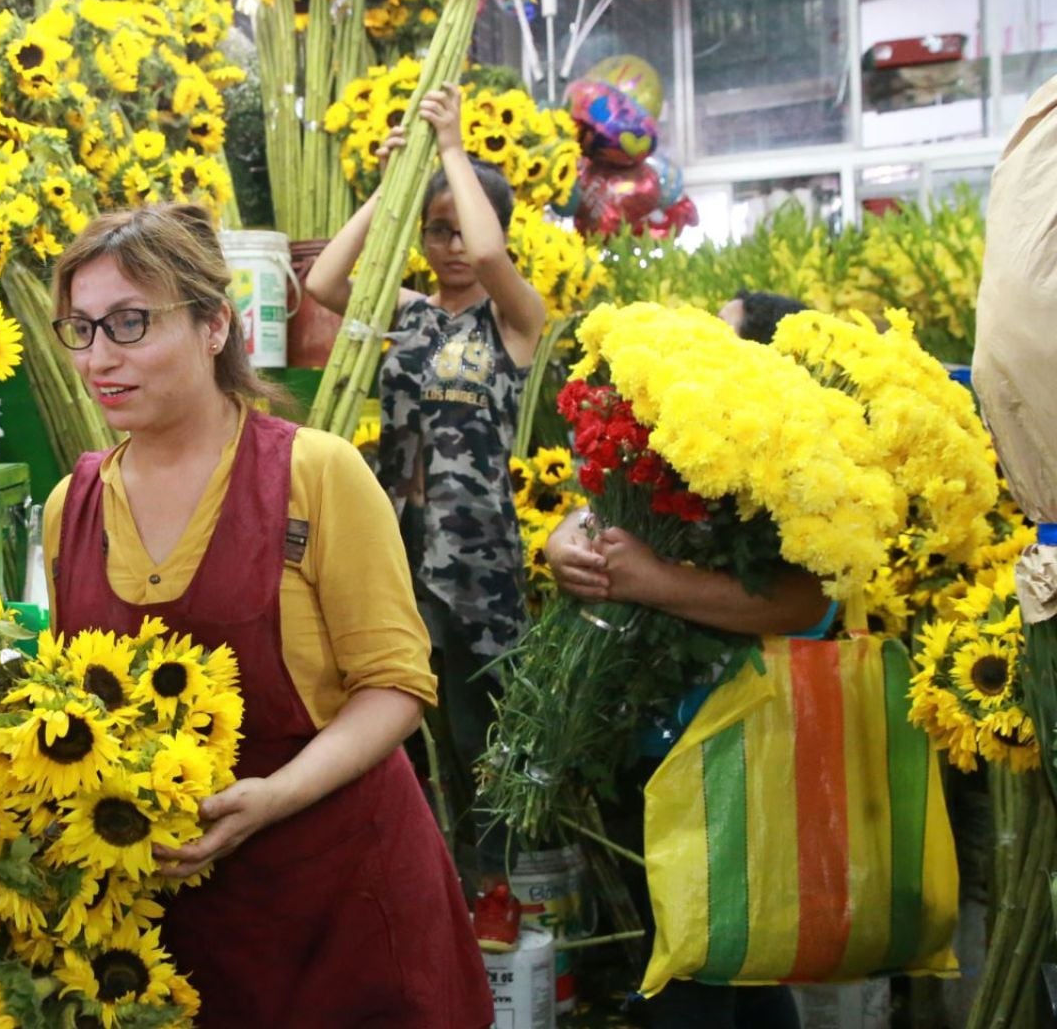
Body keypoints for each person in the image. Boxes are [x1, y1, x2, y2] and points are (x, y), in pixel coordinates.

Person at [42, 203, 492, 1026]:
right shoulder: (70, 505)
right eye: (81, 330)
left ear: (216, 324)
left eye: (131, 324)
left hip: (340, 896)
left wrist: (273, 797)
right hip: (179, 923)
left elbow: (395, 686)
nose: (100, 358)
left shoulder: (313, 474)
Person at [542, 292, 826, 1029]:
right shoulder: (684, 433)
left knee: (718, 970)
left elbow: (805, 605)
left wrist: (653, 582)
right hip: (653, 756)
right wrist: (565, 539)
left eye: (722, 337)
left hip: (742, 763)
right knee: (701, 965)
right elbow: (605, 500)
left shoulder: (800, 465)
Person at [304, 84, 548, 887]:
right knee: (396, 729)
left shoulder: (514, 319)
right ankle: (418, 881)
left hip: (477, 564)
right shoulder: (405, 315)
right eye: (432, 230)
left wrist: (449, 146)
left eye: (459, 227)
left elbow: (485, 260)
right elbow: (323, 285)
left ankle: (497, 891)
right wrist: (390, 188)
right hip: (396, 553)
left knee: (483, 735)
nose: (449, 246)